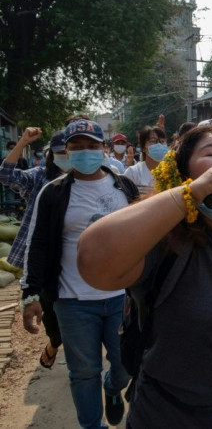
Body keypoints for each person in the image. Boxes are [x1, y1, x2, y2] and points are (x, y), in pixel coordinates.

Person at [76, 125, 212, 428]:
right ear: (184, 173)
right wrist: (190, 195)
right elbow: (92, 259)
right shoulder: (164, 244)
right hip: (173, 415)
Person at [21, 119, 139, 428]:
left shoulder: (122, 187)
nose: (85, 153)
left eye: (91, 147)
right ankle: (92, 425)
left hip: (120, 298)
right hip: (72, 300)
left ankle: (112, 388)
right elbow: (39, 243)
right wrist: (30, 294)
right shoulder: (53, 193)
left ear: (104, 149)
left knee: (127, 363)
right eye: (77, 148)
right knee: (83, 370)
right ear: (66, 152)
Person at [0, 128, 69, 369]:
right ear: (52, 155)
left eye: (70, 151)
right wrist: (23, 142)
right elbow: (6, 175)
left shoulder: (87, 179)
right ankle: (54, 342)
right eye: (60, 152)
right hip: (43, 257)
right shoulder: (40, 176)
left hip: (72, 256)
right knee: (50, 310)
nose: (66, 156)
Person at [124, 126, 167, 195]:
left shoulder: (172, 172)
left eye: (162, 141)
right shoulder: (133, 173)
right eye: (153, 141)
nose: (159, 145)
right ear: (143, 147)